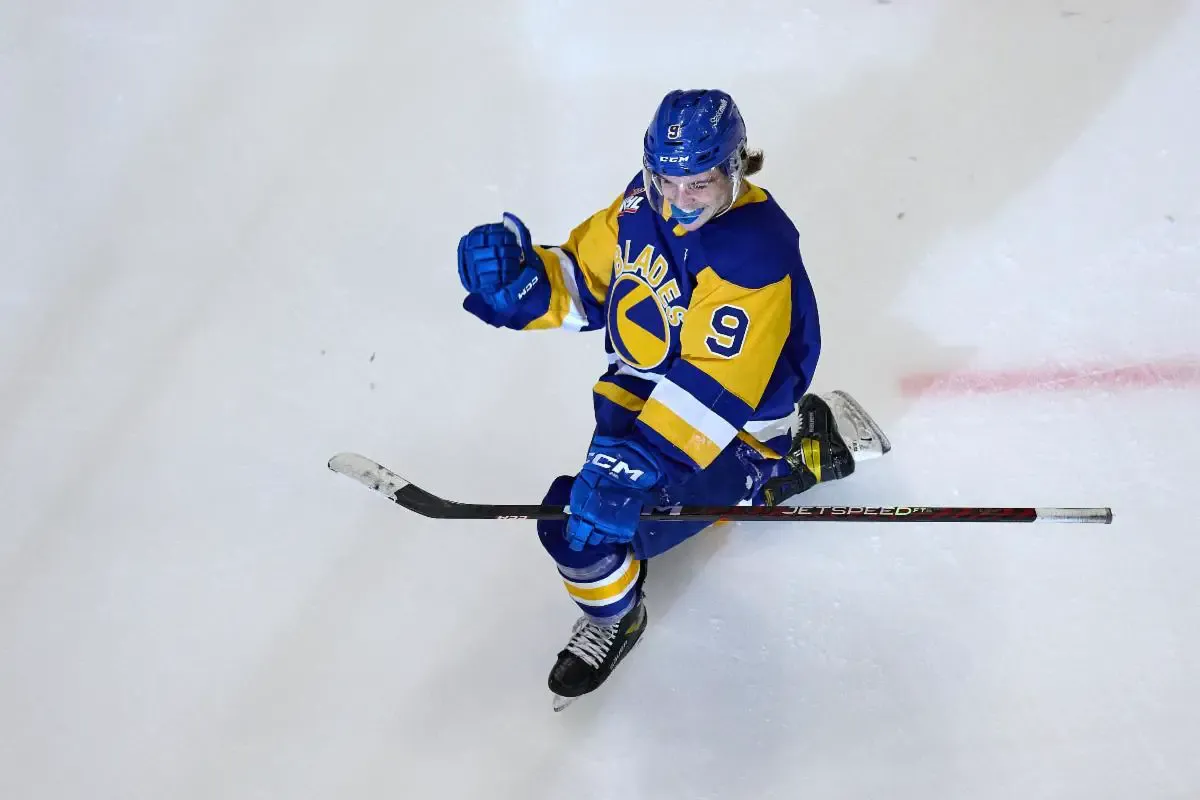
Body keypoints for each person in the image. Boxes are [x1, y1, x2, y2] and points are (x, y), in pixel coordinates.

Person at [456, 89, 890, 708]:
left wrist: (631, 470)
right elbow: (594, 280)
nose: (680, 200)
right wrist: (524, 283)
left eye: (701, 184)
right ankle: (782, 452)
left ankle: (771, 465)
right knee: (594, 510)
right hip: (646, 398)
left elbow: (712, 388)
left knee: (587, 534)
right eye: (668, 179)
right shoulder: (645, 200)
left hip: (720, 423)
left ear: (735, 167)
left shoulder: (752, 252)